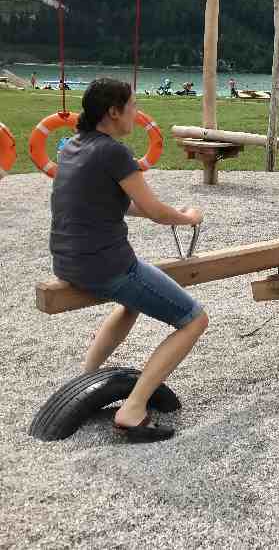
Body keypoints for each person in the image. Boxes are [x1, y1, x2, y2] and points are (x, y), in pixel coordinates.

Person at [49, 78, 208, 442]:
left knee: (130, 305)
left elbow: (113, 204)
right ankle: (133, 410)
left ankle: (84, 377)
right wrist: (188, 217)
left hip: (68, 261)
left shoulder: (74, 146)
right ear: (113, 112)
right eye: (132, 107)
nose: (136, 115)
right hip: (106, 266)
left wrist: (175, 212)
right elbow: (154, 211)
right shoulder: (113, 152)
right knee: (194, 319)